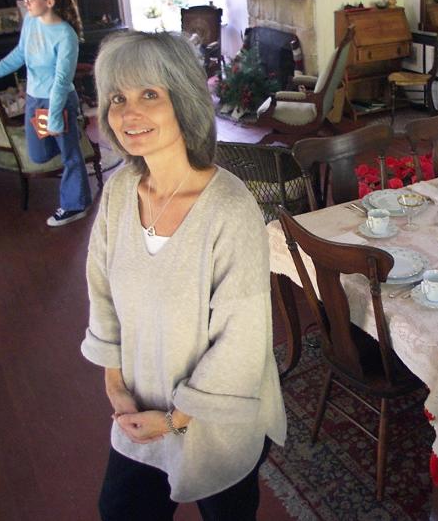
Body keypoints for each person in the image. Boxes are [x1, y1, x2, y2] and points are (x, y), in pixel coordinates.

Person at [81, 31, 287, 521]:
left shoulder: (229, 207)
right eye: (117, 98)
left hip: (215, 418)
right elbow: (102, 294)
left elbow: (242, 340)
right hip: (138, 408)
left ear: (184, 101)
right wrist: (116, 389)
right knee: (120, 510)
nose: (129, 114)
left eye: (149, 94)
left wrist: (175, 420)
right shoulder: (119, 192)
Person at [0, 0, 92, 226]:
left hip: (58, 101)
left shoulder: (65, 35)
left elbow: (61, 81)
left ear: (49, 2)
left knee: (71, 155)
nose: (25, 2)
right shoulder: (30, 22)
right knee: (39, 154)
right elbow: (20, 53)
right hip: (34, 98)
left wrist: (54, 117)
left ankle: (75, 205)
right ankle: (72, 137)